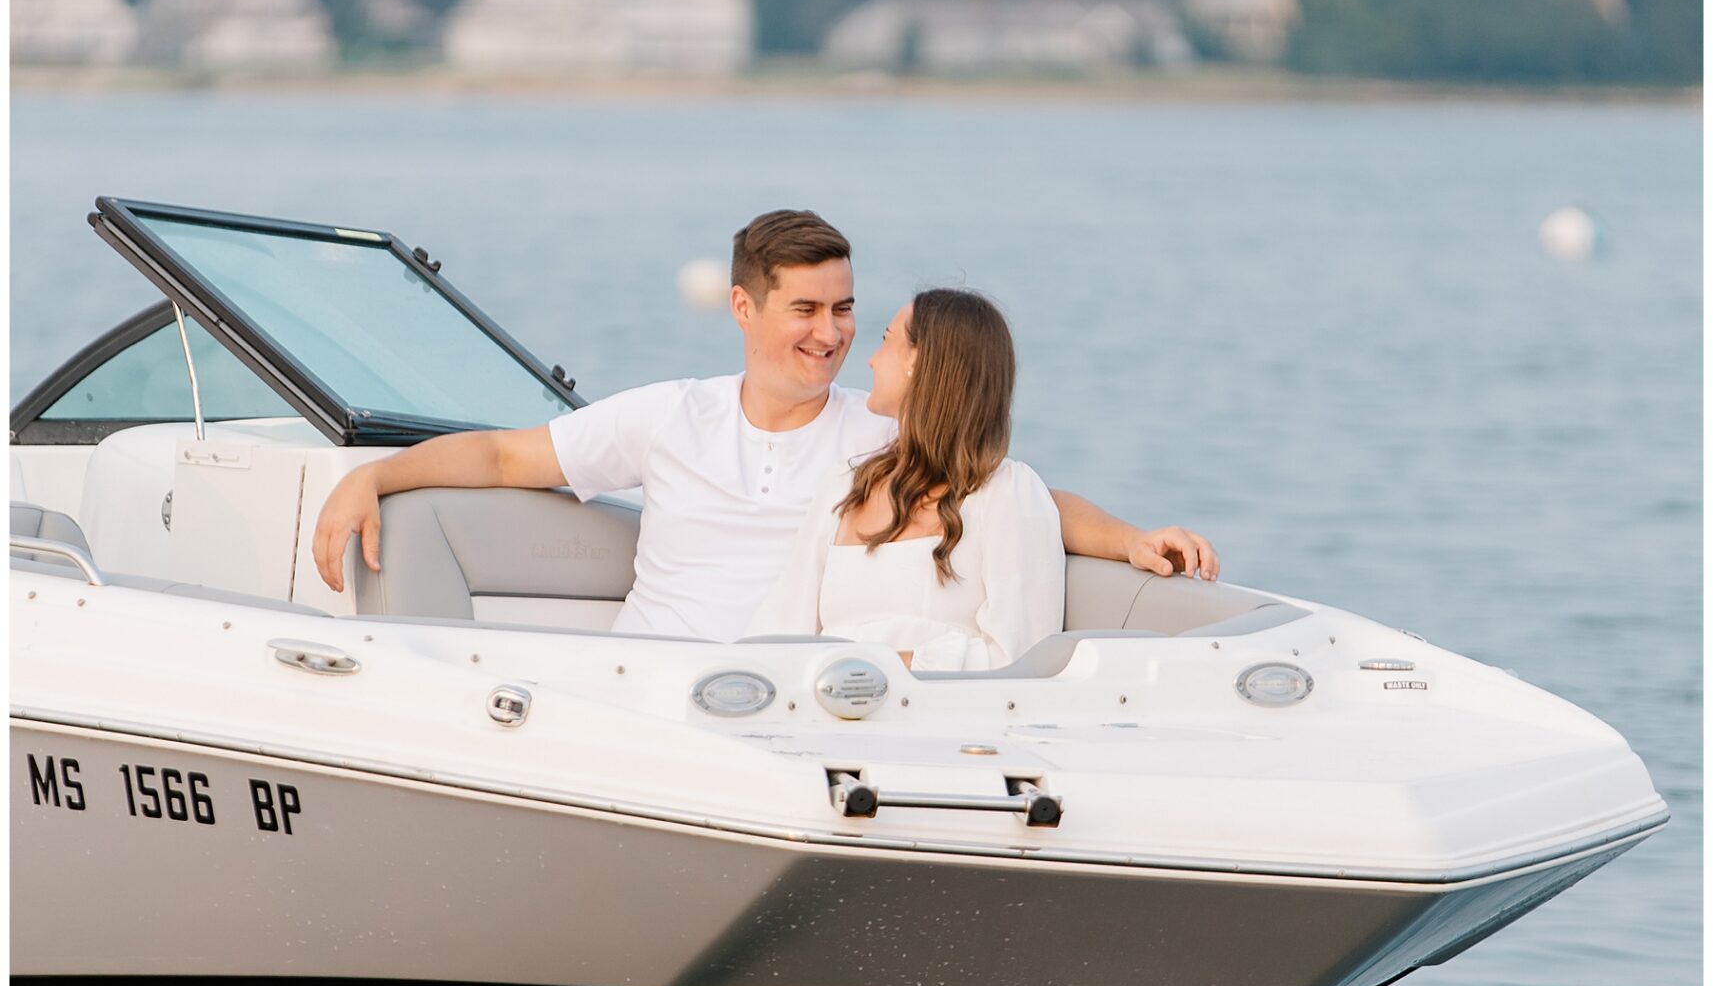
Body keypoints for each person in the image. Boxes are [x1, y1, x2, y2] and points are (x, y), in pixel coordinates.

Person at [311, 208, 1218, 642]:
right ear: (743, 308)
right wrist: (375, 475)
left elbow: (1017, 494)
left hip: (790, 706)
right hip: (651, 688)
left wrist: (1133, 539)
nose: (830, 333)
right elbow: (507, 455)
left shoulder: (876, 439)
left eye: (845, 308)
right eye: (805, 309)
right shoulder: (672, 415)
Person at [749, 290, 1064, 671]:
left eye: (885, 341)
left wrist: (880, 667)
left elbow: (1022, 661)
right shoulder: (844, 489)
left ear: (918, 360)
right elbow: (780, 632)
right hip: (823, 717)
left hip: (938, 723)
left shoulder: (1005, 494)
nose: (870, 360)